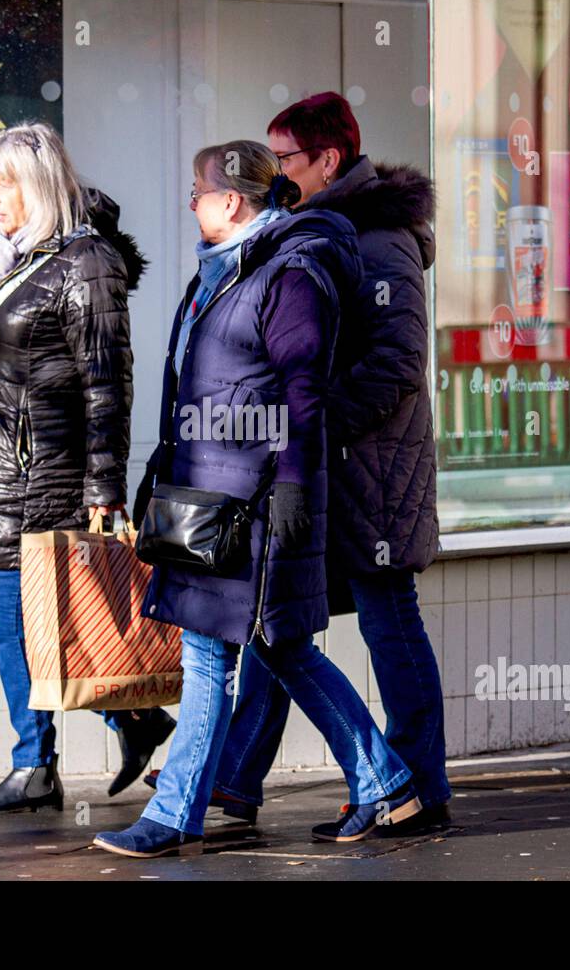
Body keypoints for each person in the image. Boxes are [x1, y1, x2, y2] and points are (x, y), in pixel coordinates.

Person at [92, 140, 422, 859]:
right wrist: (161, 465)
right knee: (283, 649)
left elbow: (303, 394)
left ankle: (177, 812)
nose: (191, 202)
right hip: (212, 494)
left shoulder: (291, 274)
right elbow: (193, 382)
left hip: (258, 503)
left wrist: (296, 488)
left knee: (216, 656)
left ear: (234, 200)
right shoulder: (223, 273)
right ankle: (388, 782)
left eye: (198, 191)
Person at [190, 92, 452, 834]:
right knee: (281, 621)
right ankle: (238, 779)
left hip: (372, 472)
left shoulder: (381, 241)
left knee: (386, 620)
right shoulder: (321, 231)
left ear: (328, 161)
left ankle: (416, 787)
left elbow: (399, 362)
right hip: (331, 468)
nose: (275, 174)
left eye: (287, 160)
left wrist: (316, 419)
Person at [0, 122, 175, 813]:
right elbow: (7, 337)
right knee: (30, 624)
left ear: (37, 186)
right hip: (4, 470)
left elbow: (108, 379)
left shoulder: (86, 262)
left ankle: (42, 763)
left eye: (2, 184)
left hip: (49, 477)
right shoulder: (9, 257)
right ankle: (125, 724)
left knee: (29, 621)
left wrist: (106, 486)